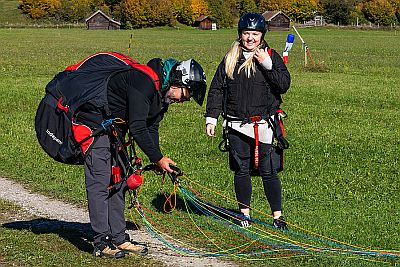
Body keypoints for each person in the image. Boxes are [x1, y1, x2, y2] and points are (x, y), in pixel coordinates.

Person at [75, 57, 207, 258]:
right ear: (176, 82)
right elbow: (137, 127)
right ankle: (101, 241)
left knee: (119, 182)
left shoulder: (161, 97)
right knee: (100, 182)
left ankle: (118, 238)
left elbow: (151, 127)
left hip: (114, 130)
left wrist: (158, 158)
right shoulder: (144, 82)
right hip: (94, 125)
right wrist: (158, 158)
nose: (182, 100)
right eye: (185, 94)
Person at [205, 12, 290, 230]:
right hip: (235, 123)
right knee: (241, 169)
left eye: (255, 34)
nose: (250, 38)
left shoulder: (270, 56)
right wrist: (212, 117)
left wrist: (268, 64)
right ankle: (244, 214)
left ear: (262, 35)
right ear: (240, 34)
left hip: (263, 123)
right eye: (246, 33)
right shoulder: (230, 58)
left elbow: (283, 85)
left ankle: (277, 216)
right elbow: (216, 89)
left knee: (267, 169)